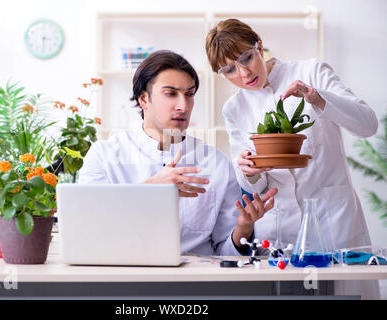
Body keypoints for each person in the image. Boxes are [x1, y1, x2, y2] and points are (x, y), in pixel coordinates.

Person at [205, 18, 379, 299]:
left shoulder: (311, 71)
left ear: (259, 46)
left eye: (247, 57)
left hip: (333, 222)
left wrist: (316, 98)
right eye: (229, 70)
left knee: (347, 295)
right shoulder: (234, 108)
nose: (243, 72)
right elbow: (253, 189)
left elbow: (367, 124)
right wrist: (249, 171)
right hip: (278, 233)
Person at [78, 50, 278, 256]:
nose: (183, 106)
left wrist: (244, 228)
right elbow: (87, 229)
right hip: (123, 276)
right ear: (144, 99)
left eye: (189, 94)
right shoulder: (104, 155)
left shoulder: (216, 163)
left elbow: (224, 254)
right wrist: (149, 189)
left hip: (195, 282)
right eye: (171, 93)